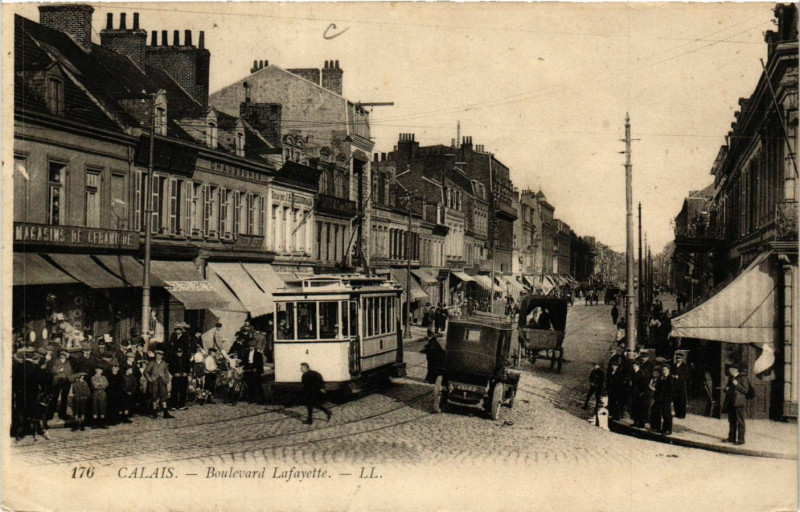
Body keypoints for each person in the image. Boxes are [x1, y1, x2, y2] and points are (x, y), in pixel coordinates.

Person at [722, 363, 751, 445]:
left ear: (735, 370)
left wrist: (737, 385)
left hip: (739, 403)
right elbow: (728, 388)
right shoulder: (731, 378)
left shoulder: (743, 378)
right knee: (732, 420)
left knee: (740, 421)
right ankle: (731, 438)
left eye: (730, 369)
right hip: (731, 402)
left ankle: (741, 440)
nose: (729, 371)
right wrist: (726, 389)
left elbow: (746, 391)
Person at [144, 350, 174, 419]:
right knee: (154, 397)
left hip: (162, 382)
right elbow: (146, 372)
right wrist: (149, 378)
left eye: (160, 356)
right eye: (157, 355)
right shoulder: (152, 363)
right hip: (154, 382)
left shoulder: (164, 363)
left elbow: (166, 373)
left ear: (162, 356)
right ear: (155, 356)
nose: (158, 357)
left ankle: (165, 413)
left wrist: (166, 380)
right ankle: (154, 413)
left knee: (164, 396)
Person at [47, 349, 73, 422]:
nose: (62, 355)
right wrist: (58, 370)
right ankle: (50, 415)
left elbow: (70, 371)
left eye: (63, 354)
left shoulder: (68, 361)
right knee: (54, 397)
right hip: (57, 381)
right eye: (61, 354)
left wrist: (66, 374)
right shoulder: (56, 361)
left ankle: (62, 414)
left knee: (64, 398)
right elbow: (52, 370)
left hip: (66, 381)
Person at [652, 364, 674, 435]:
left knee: (667, 415)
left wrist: (670, 400)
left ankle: (668, 430)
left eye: (665, 369)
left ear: (668, 370)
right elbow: (658, 388)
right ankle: (661, 428)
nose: (663, 371)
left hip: (666, 399)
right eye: (663, 370)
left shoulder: (670, 378)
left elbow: (672, 391)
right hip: (660, 399)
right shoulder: (661, 378)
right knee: (660, 413)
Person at [629, 359, 650, 428]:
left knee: (641, 408)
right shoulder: (633, 373)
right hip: (634, 393)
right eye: (633, 366)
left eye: (635, 366)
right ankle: (635, 421)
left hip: (640, 394)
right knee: (634, 408)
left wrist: (642, 392)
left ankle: (641, 423)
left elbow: (645, 384)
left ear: (638, 366)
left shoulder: (641, 373)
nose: (634, 367)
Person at [672, 353, 690, 419]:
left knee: (681, 399)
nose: (678, 359)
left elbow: (688, 376)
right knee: (675, 399)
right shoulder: (673, 365)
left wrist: (679, 377)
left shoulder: (685, 366)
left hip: (682, 385)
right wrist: (672, 376)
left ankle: (682, 414)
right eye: (677, 358)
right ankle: (677, 413)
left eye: (679, 358)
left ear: (682, 358)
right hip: (674, 385)